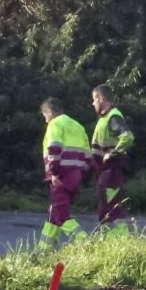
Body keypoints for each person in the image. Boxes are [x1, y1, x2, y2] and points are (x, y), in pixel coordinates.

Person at [40, 98, 91, 246]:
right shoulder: (78, 126)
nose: (45, 120)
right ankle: (43, 250)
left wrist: (54, 172)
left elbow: (54, 149)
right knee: (55, 213)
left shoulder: (55, 124)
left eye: (45, 116)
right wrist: (81, 174)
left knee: (61, 214)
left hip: (60, 176)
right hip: (75, 176)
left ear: (50, 112)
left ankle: (84, 242)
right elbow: (88, 156)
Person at [88, 84, 136, 235]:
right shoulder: (104, 119)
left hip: (111, 173)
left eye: (94, 99)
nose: (93, 103)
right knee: (107, 212)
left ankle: (121, 245)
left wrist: (113, 153)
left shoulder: (113, 117)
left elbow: (128, 137)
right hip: (105, 173)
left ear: (102, 99)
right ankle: (109, 244)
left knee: (113, 212)